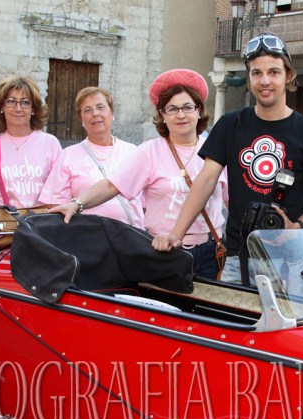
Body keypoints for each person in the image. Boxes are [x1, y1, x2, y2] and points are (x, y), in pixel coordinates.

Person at [152, 33, 303, 284]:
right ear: (249, 79)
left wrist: (298, 228)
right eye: (256, 73)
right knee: (229, 322)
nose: (265, 81)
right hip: (238, 258)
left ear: (288, 76)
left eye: (274, 72)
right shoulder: (231, 124)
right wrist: (176, 233)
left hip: (289, 261)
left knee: (287, 325)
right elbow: (205, 181)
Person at [48, 70, 227, 279]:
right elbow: (112, 185)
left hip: (209, 252)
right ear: (163, 115)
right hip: (163, 251)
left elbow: (233, 199)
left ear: (199, 111)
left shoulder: (217, 151)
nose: (181, 115)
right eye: (172, 109)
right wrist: (77, 204)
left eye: (188, 107)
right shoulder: (149, 151)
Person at [39, 87, 143, 227]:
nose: (95, 113)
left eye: (100, 107)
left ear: (112, 113)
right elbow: (56, 205)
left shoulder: (133, 152)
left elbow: (147, 202)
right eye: (87, 110)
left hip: (132, 237)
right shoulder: (68, 156)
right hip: (89, 239)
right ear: (82, 119)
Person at [0, 76, 61, 208]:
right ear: (2, 106)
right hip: (4, 224)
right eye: (11, 101)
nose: (18, 108)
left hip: (43, 222)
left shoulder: (50, 143)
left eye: (25, 102)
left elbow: (59, 187)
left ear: (33, 109)